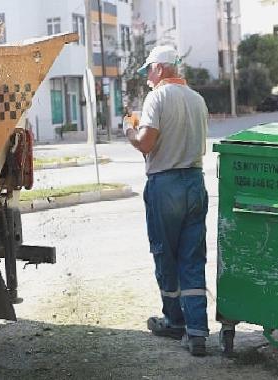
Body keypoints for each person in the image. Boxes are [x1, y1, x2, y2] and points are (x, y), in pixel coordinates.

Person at [123, 45, 209, 357]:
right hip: (194, 182)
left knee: (166, 254)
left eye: (149, 70)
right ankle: (197, 330)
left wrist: (130, 130)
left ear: (160, 68)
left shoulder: (156, 97)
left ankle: (174, 321)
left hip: (166, 184)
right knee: (192, 256)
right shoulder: (197, 100)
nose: (147, 76)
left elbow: (147, 142)